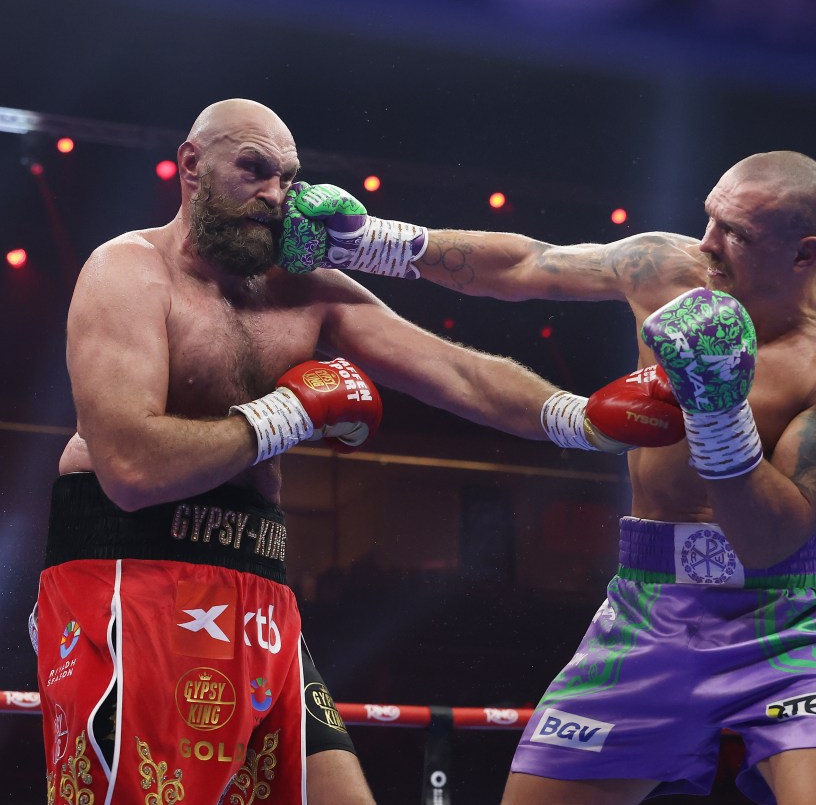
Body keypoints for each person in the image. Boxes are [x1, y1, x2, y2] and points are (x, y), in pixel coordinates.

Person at [35, 98, 684, 805]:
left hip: (259, 587)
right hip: (132, 576)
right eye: (253, 170)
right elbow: (131, 471)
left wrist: (581, 418)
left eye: (287, 178)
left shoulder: (303, 286)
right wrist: (288, 413)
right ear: (191, 166)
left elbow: (457, 370)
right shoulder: (127, 271)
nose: (275, 196)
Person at [279, 150, 816, 805]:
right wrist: (368, 241)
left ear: (805, 254)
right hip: (654, 608)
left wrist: (717, 410)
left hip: (794, 619)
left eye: (737, 234)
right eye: (710, 218)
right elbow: (524, 264)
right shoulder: (669, 268)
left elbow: (767, 538)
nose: (708, 244)